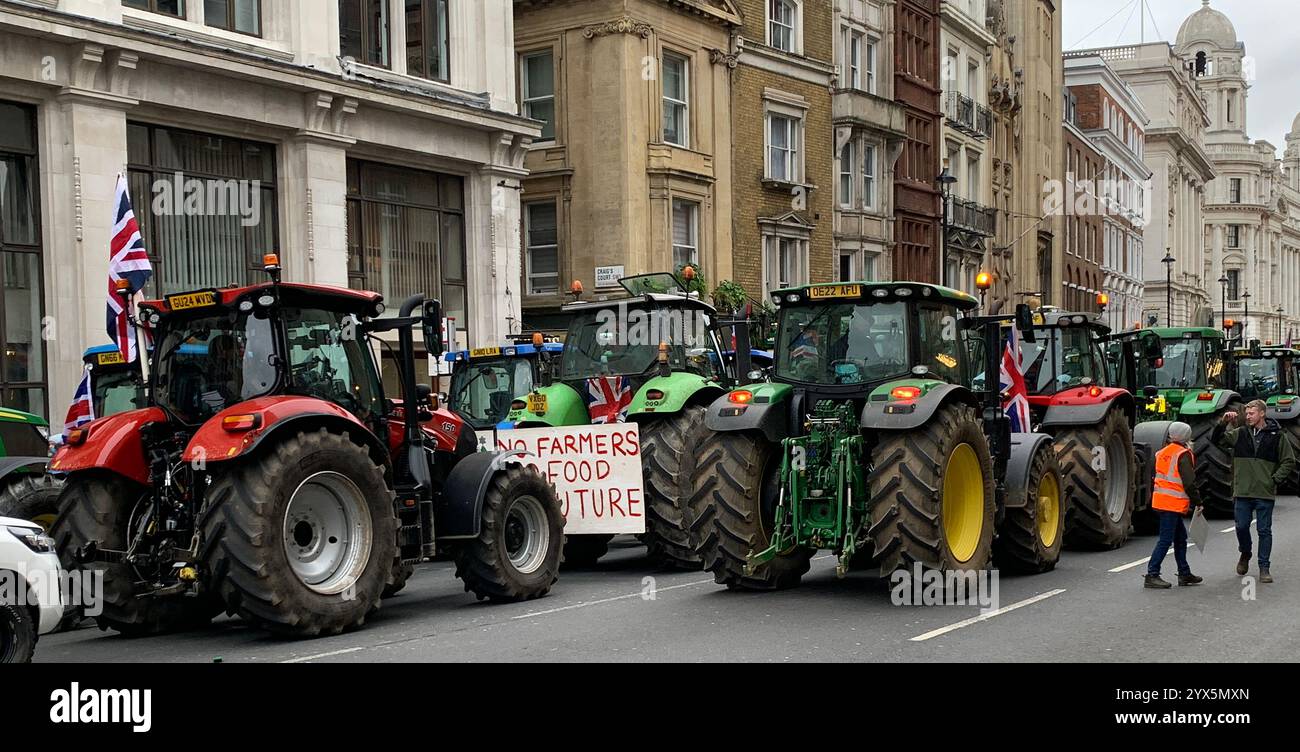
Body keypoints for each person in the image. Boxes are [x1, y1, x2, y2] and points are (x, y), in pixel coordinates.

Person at [1215, 399, 1295, 583]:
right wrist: (1223, 422)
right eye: (1247, 413)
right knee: (1242, 526)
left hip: (1264, 492)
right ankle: (1245, 552)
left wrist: (1274, 479)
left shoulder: (1277, 435)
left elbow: (1288, 460)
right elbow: (1218, 440)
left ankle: (1264, 568)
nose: (1248, 416)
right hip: (1242, 491)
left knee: (1264, 530)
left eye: (1251, 413)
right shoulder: (1240, 433)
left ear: (1262, 414)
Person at [1145, 421, 1204, 589]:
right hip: (1172, 503)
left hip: (1161, 501)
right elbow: (1189, 482)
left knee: (1180, 538)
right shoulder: (1183, 454)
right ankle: (1152, 574)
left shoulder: (1161, 452)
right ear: (1187, 436)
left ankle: (1184, 573)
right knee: (1165, 540)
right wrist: (1198, 502)